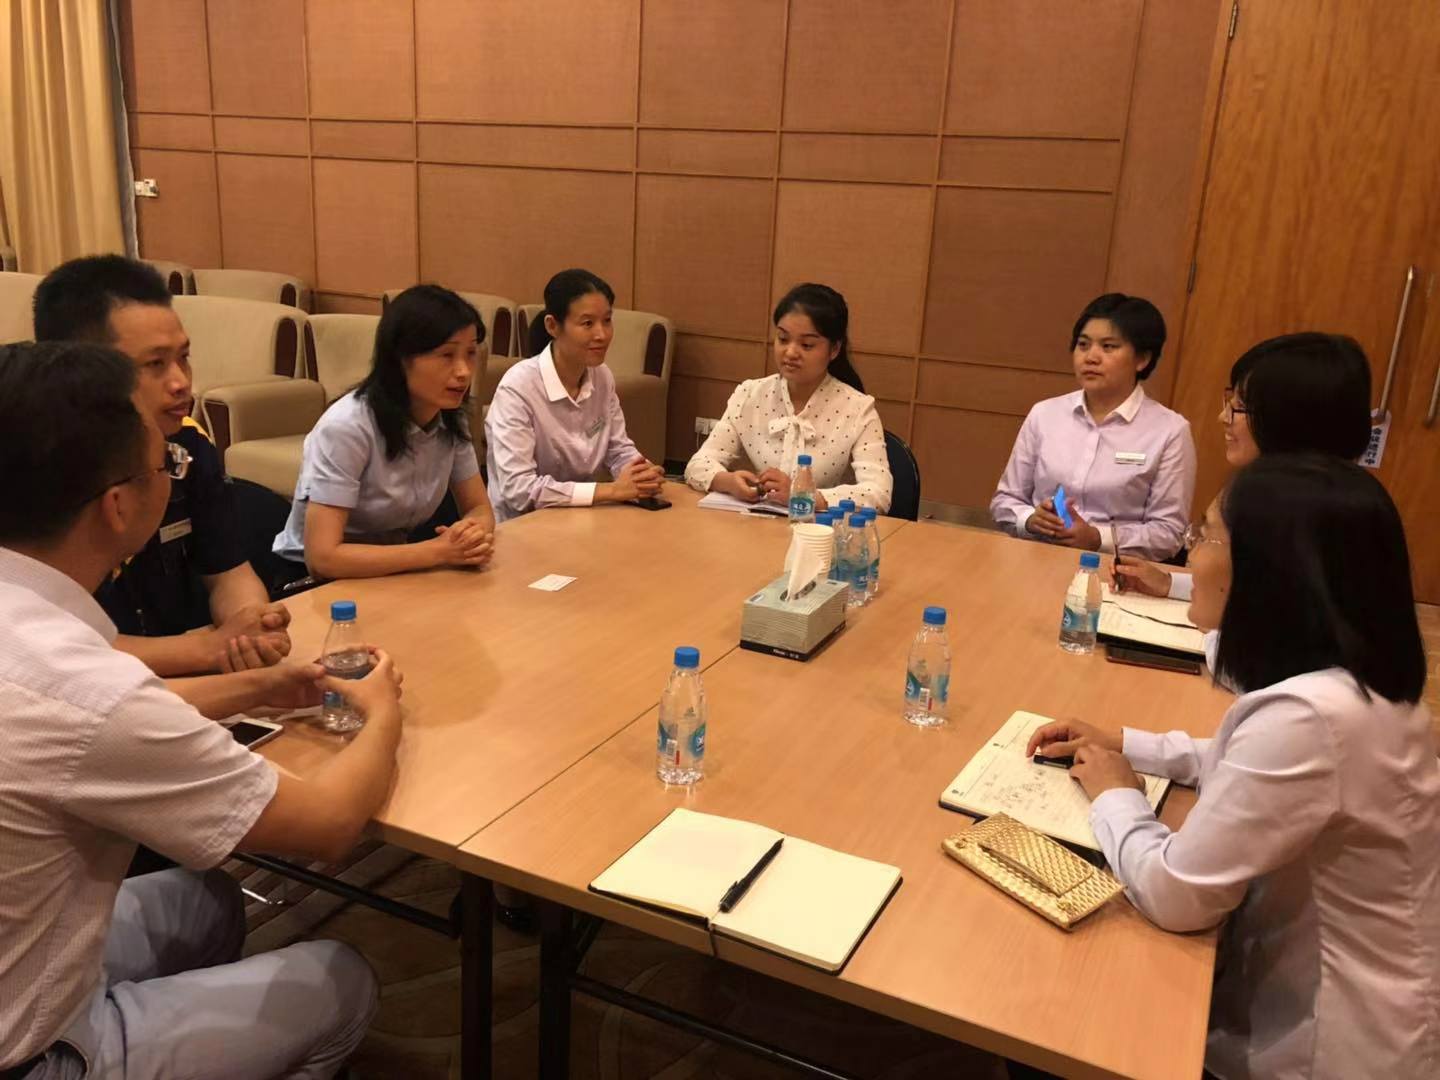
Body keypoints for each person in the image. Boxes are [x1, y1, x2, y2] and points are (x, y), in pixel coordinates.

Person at [0, 340, 407, 1080]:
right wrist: (383, 714)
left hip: (23, 946)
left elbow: (86, 718)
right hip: (30, 1052)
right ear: (118, 505)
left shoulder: (37, 636)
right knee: (341, 979)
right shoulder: (88, 688)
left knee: (209, 901)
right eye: (166, 463)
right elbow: (327, 827)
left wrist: (258, 687)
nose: (176, 470)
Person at [1028, 454, 1439, 1079]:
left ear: (1269, 570)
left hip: (1328, 1049)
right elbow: (1243, 761)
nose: (1191, 556)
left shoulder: (1310, 720)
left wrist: (1117, 793)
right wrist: (1125, 742)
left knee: (1066, 1017)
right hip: (1356, 1003)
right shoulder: (1355, 686)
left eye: (1206, 536)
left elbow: (1175, 895)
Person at [33, 255, 291, 678]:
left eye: (184, 357)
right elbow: (51, 648)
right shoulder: (29, 469)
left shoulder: (188, 444)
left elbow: (227, 572)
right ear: (80, 370)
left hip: (171, 680)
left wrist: (250, 626)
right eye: (155, 364)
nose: (181, 382)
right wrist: (207, 649)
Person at [1114, 332, 1372, 598]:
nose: (1223, 417)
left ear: (1291, 417)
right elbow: (1248, 589)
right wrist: (1169, 583)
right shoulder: (1273, 490)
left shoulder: (1325, 517)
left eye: (1239, 407)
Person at [272, 284, 498, 579]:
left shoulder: (449, 416)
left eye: (470, 353)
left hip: (397, 565)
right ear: (400, 358)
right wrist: (439, 551)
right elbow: (323, 558)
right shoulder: (347, 427)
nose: (464, 371)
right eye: (447, 355)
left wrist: (471, 534)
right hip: (312, 580)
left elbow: (479, 508)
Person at [991, 293, 1195, 561]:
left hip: (1116, 569)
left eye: (1108, 347)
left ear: (1142, 359)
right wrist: (1030, 519)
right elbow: (1004, 501)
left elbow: (1168, 532)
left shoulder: (1170, 430)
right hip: (1038, 558)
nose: (1091, 357)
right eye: (1083, 345)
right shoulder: (1045, 414)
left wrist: (1098, 538)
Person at [684, 283, 892, 512]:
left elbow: (878, 493)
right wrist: (728, 482)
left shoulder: (859, 409)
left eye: (807, 345)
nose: (790, 352)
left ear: (834, 349)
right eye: (783, 339)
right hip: (759, 525)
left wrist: (804, 495)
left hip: (822, 529)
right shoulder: (749, 395)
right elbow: (698, 463)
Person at [485, 269, 664, 523]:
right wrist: (611, 491)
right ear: (552, 326)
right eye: (587, 323)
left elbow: (618, 449)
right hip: (522, 527)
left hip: (579, 519)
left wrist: (640, 473)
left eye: (607, 321)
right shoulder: (518, 388)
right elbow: (519, 490)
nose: (602, 334)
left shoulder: (601, 377)